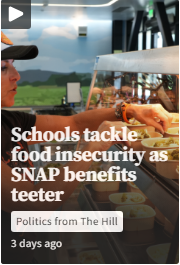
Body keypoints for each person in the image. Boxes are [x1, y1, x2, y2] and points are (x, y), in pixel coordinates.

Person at [1, 31, 173, 263]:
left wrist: (127, 110)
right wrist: (96, 146)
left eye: (12, 65)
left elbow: (74, 123)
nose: (16, 76)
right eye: (3, 68)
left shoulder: (8, 121)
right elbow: (31, 202)